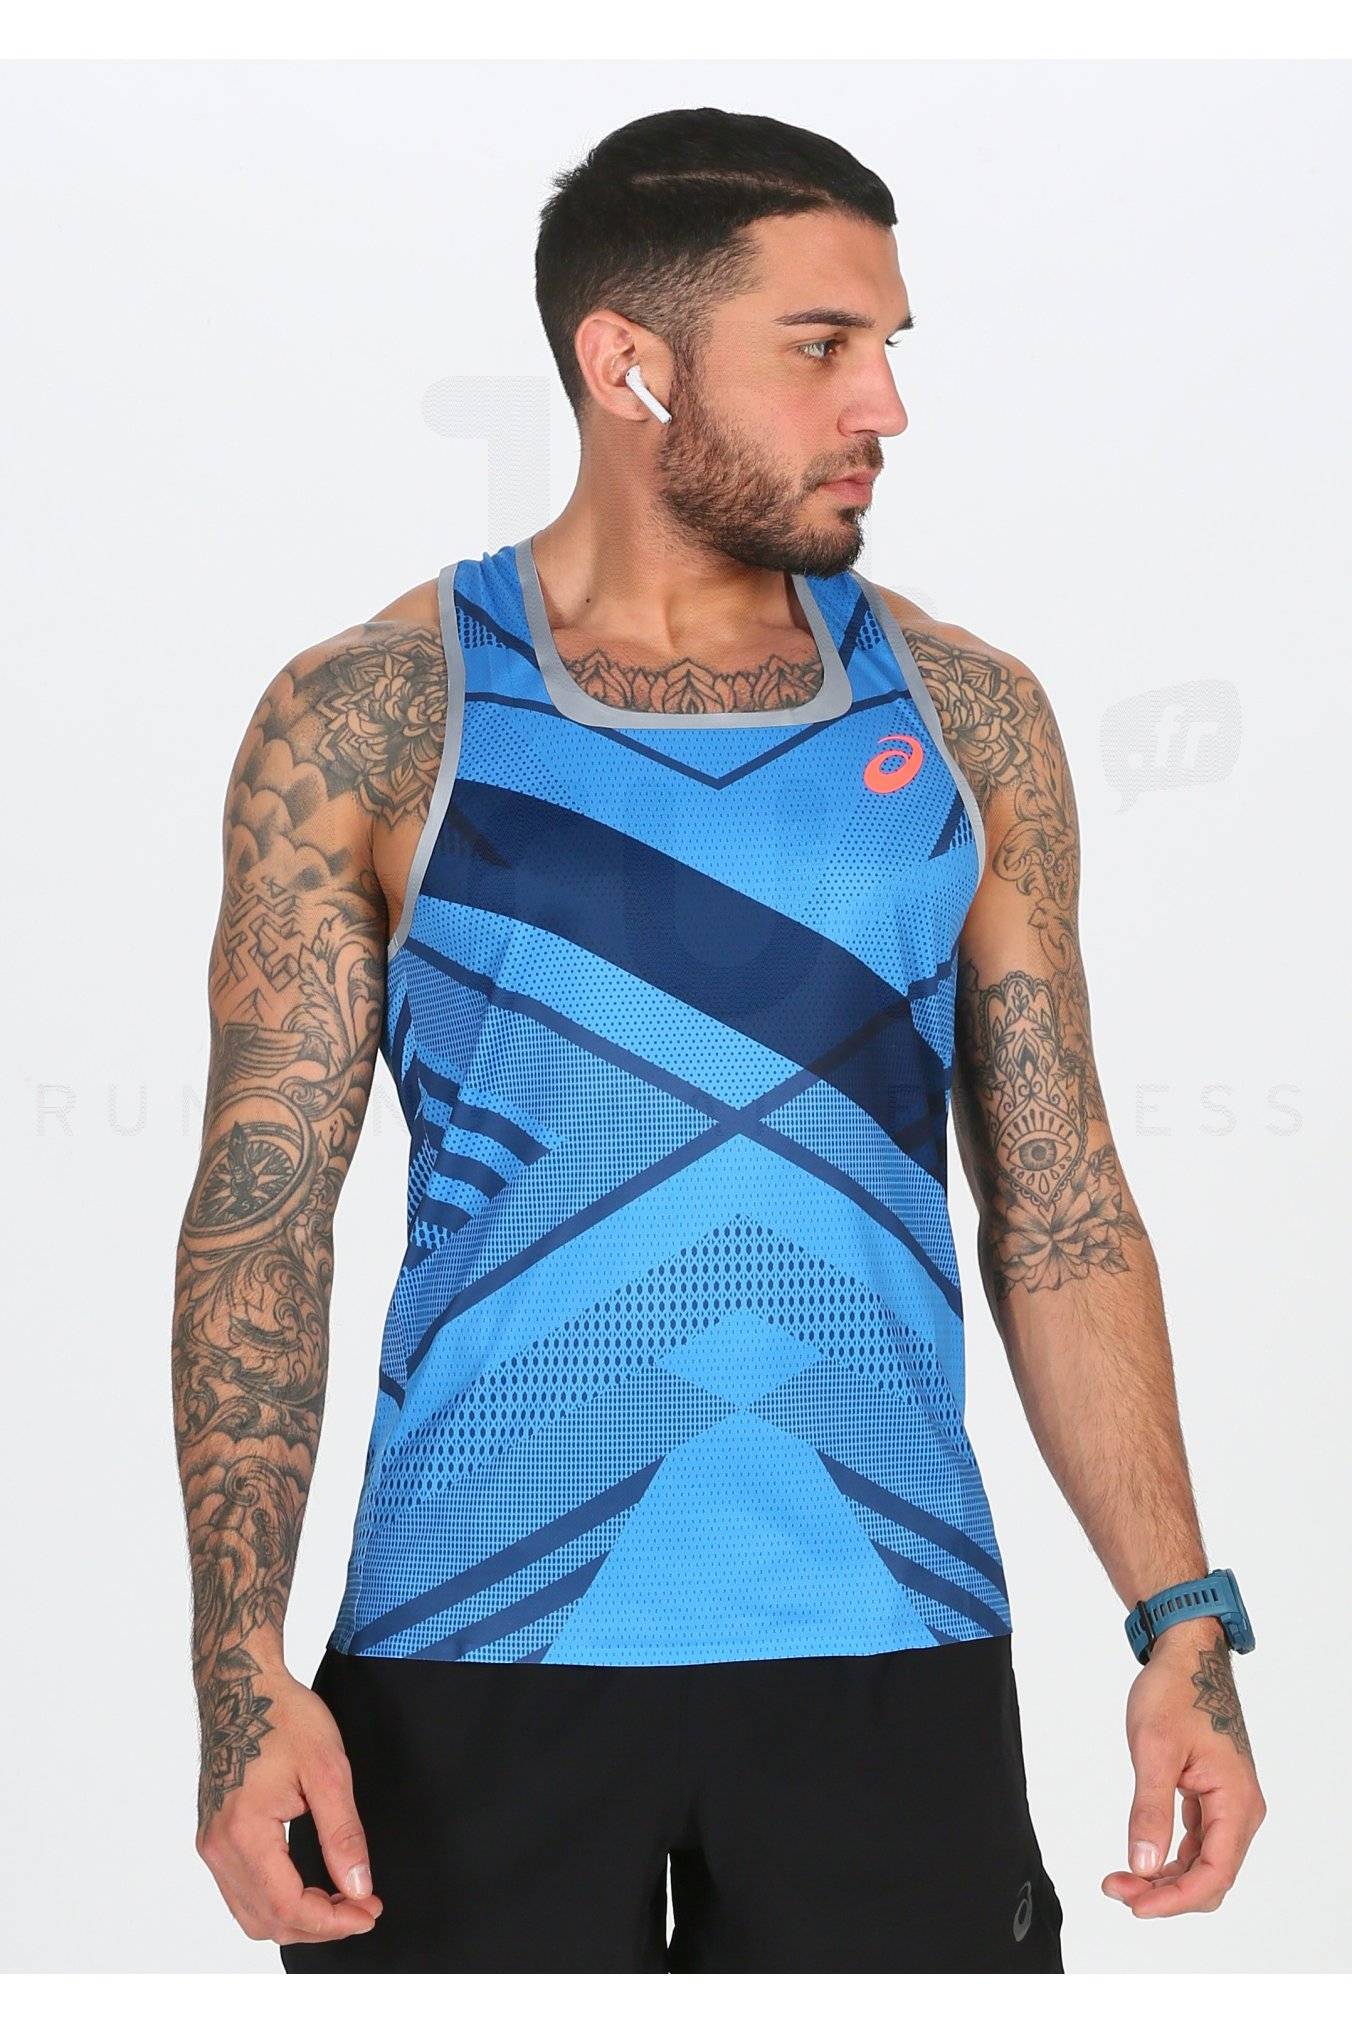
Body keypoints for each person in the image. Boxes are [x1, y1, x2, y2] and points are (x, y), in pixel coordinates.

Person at [171, 106, 1265, 1975]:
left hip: (892, 1643)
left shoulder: (967, 717)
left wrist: (1182, 1616)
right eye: (823, 346)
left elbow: (1062, 1209)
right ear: (631, 365)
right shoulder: (377, 716)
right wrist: (234, 1670)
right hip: (471, 1656)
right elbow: (261, 1220)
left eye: (889, 346)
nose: (885, 406)